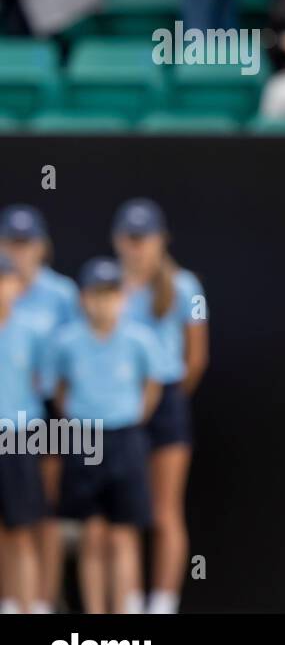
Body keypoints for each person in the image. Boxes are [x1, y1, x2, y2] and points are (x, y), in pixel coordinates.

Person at [48, 257, 162, 615]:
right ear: (83, 298)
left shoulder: (139, 339)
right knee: (92, 535)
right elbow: (59, 390)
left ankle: (125, 609)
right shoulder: (67, 342)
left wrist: (130, 417)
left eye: (111, 294)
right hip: (84, 439)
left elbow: (153, 385)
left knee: (123, 533)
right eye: (96, 295)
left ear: (123, 297)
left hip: (124, 438)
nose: (104, 302)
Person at [112, 198, 207, 615]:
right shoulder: (107, 286)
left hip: (167, 401)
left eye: (144, 238)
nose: (137, 247)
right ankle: (130, 602)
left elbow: (196, 358)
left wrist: (163, 400)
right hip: (117, 405)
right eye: (131, 239)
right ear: (118, 241)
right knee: (126, 510)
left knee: (165, 509)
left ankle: (163, 603)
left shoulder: (188, 287)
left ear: (160, 240)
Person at [0, 205, 77, 615]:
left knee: (44, 508)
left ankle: (44, 599)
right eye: (12, 242)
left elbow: (73, 355)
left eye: (26, 243)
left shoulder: (62, 294)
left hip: (48, 409)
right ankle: (13, 598)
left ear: (41, 247)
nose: (19, 251)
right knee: (13, 514)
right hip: (11, 407)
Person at [0, 252, 46, 615]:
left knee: (22, 530)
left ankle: (29, 605)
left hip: (19, 437)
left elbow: (44, 383)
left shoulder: (31, 331)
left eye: (5, 280)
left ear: (17, 286)